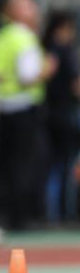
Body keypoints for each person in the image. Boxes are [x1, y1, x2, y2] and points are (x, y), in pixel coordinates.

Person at [0, 0, 56, 232]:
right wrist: (47, 70)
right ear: (14, 11)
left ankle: (3, 215)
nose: (34, 8)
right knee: (25, 165)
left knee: (5, 166)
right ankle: (22, 217)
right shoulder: (23, 37)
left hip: (1, 108)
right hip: (24, 107)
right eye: (28, 4)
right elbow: (28, 77)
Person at [41, 13, 79, 221]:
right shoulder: (65, 52)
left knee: (54, 165)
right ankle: (64, 212)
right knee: (65, 165)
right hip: (64, 115)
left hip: (50, 114)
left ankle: (53, 211)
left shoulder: (47, 51)